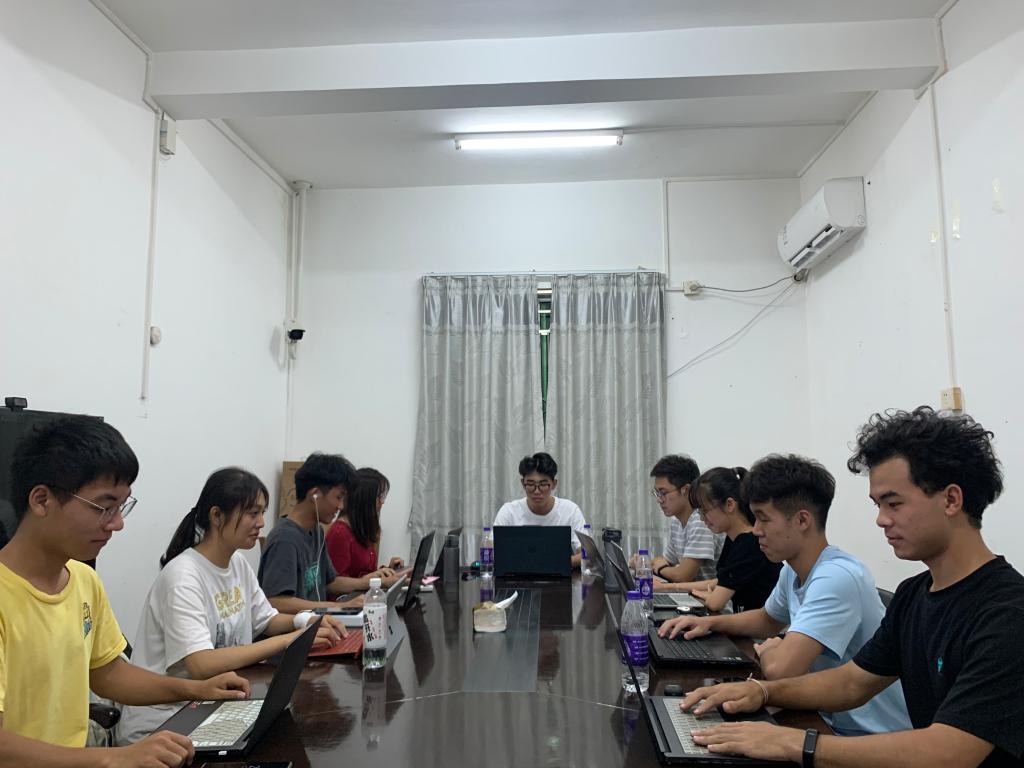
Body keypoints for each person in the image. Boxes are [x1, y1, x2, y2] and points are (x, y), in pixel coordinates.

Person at [679, 407, 1024, 768]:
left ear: (951, 500)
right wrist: (761, 691)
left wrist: (793, 743)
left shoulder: (1007, 614)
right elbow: (852, 683)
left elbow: (951, 752)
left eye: (894, 503)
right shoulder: (914, 593)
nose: (881, 519)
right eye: (878, 505)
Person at [0, 415, 249, 768]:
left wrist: (197, 690)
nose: (117, 523)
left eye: (122, 506)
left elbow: (108, 673)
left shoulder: (83, 580)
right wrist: (113, 757)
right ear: (42, 500)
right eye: (104, 507)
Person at [659, 454, 911, 736]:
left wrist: (771, 651)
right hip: (825, 716)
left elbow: (780, 670)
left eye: (763, 519)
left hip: (867, 735)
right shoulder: (793, 568)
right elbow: (767, 619)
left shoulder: (836, 577)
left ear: (802, 520)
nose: (756, 530)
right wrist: (709, 623)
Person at [117, 467, 346, 745]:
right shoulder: (183, 576)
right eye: (252, 513)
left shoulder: (236, 562)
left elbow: (266, 619)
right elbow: (201, 665)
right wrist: (289, 641)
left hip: (211, 706)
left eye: (262, 513)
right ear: (216, 516)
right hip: (164, 722)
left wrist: (305, 621)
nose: (261, 523)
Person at [258, 452, 378, 612]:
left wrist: (369, 582)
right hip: (298, 626)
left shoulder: (316, 531)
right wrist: (339, 606)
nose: (341, 506)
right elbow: (276, 602)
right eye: (338, 497)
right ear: (315, 494)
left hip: (320, 622)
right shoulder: (285, 539)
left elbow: (329, 582)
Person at [659, 467, 780, 612]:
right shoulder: (734, 539)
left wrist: (708, 595)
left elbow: (715, 603)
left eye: (705, 510)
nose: (702, 518)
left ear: (729, 505)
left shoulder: (749, 544)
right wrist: (668, 587)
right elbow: (720, 582)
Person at [493, 452, 587, 568]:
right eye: (531, 484)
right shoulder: (509, 511)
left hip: (559, 575)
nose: (537, 491)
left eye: (543, 484)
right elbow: (491, 550)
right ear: (523, 483)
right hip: (517, 575)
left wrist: (556, 563)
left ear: (554, 484)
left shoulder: (570, 511)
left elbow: (586, 553)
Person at [644, 455, 723, 590]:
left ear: (685, 490)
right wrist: (643, 563)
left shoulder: (701, 521)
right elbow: (665, 561)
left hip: (708, 600)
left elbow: (682, 576)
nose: (659, 500)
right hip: (689, 596)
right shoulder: (676, 522)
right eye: (656, 493)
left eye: (663, 493)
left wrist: (660, 568)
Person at [326, 467, 405, 588]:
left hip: (365, 595)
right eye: (379, 497)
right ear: (365, 498)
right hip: (348, 599)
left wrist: (387, 571)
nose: (382, 502)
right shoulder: (339, 533)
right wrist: (375, 581)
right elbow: (333, 584)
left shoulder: (362, 528)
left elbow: (365, 574)